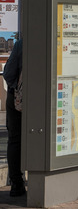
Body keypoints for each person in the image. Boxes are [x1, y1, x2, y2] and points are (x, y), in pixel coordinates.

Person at [3, 38, 26, 197]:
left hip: (18, 98)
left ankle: (16, 183)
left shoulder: (23, 43)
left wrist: (17, 89)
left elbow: (9, 73)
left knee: (15, 140)